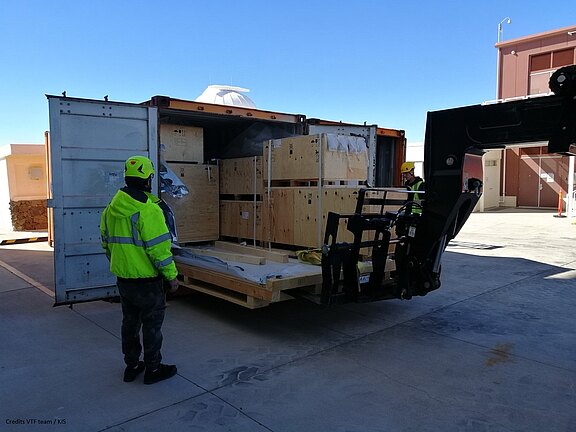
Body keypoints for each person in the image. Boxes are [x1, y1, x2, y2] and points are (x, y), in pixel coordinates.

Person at [100, 155, 179, 385]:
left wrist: (123, 264)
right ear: (148, 179)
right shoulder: (148, 210)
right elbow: (159, 251)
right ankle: (153, 370)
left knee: (129, 324)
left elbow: (106, 243)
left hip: (124, 280)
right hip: (147, 281)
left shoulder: (111, 208)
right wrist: (172, 277)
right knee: (152, 326)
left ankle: (132, 366)